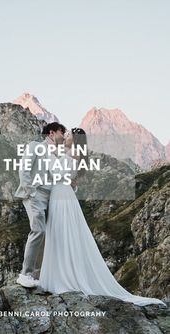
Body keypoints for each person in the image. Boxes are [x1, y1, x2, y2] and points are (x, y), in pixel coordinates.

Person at [38, 128, 166, 307]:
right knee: (60, 235)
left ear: (75, 139)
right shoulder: (72, 153)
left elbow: (59, 175)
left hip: (61, 197)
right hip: (62, 195)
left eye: (68, 136)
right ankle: (60, 275)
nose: (65, 138)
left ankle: (64, 278)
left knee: (63, 234)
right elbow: (71, 181)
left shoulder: (73, 152)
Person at [14, 122, 66, 288]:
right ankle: (25, 274)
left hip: (50, 198)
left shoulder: (58, 154)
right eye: (61, 132)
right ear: (51, 133)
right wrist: (31, 192)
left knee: (45, 235)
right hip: (35, 195)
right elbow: (24, 169)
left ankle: (36, 276)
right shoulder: (35, 146)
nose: (63, 136)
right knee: (38, 230)